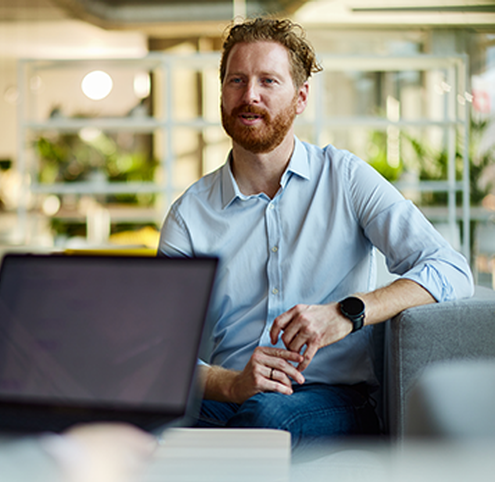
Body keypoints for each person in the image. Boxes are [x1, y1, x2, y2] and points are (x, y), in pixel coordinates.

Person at [158, 17, 474, 448]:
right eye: (237, 80)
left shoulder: (345, 178)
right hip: (232, 392)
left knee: (263, 418)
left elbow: (450, 269)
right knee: (134, 417)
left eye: (269, 80)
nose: (249, 95)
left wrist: (346, 312)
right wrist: (231, 384)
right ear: (222, 91)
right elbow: (162, 353)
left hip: (331, 396)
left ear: (301, 96)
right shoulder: (189, 214)